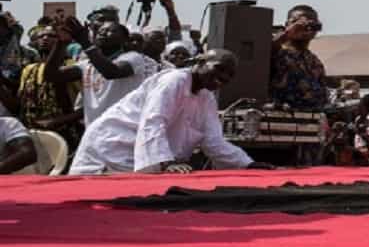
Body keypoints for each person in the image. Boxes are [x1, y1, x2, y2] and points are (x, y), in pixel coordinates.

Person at [69, 49, 273, 174]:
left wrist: (247, 165)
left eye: (229, 76)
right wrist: (164, 163)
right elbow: (153, 121)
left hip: (137, 156)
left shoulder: (206, 97)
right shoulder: (173, 80)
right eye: (219, 68)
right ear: (201, 62)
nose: (223, 78)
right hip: (111, 147)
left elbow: (214, 141)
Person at [45, 18, 159, 126]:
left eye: (110, 31)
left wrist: (85, 42)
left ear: (124, 40)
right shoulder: (87, 65)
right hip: (94, 131)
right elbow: (51, 76)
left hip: (123, 131)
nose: (103, 33)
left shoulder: (133, 58)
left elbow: (111, 72)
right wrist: (61, 43)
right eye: (101, 30)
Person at [17, 26, 83, 148]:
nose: (45, 38)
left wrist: (57, 121)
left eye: (51, 36)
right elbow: (22, 101)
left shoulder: (71, 67)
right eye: (41, 36)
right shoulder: (29, 69)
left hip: (65, 131)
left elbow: (85, 106)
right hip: (33, 131)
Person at [269, 5, 327, 111]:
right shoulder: (278, 51)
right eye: (297, 23)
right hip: (281, 118)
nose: (305, 29)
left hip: (311, 120)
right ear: (287, 25)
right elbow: (262, 52)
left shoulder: (314, 62)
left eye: (311, 25)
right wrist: (288, 32)